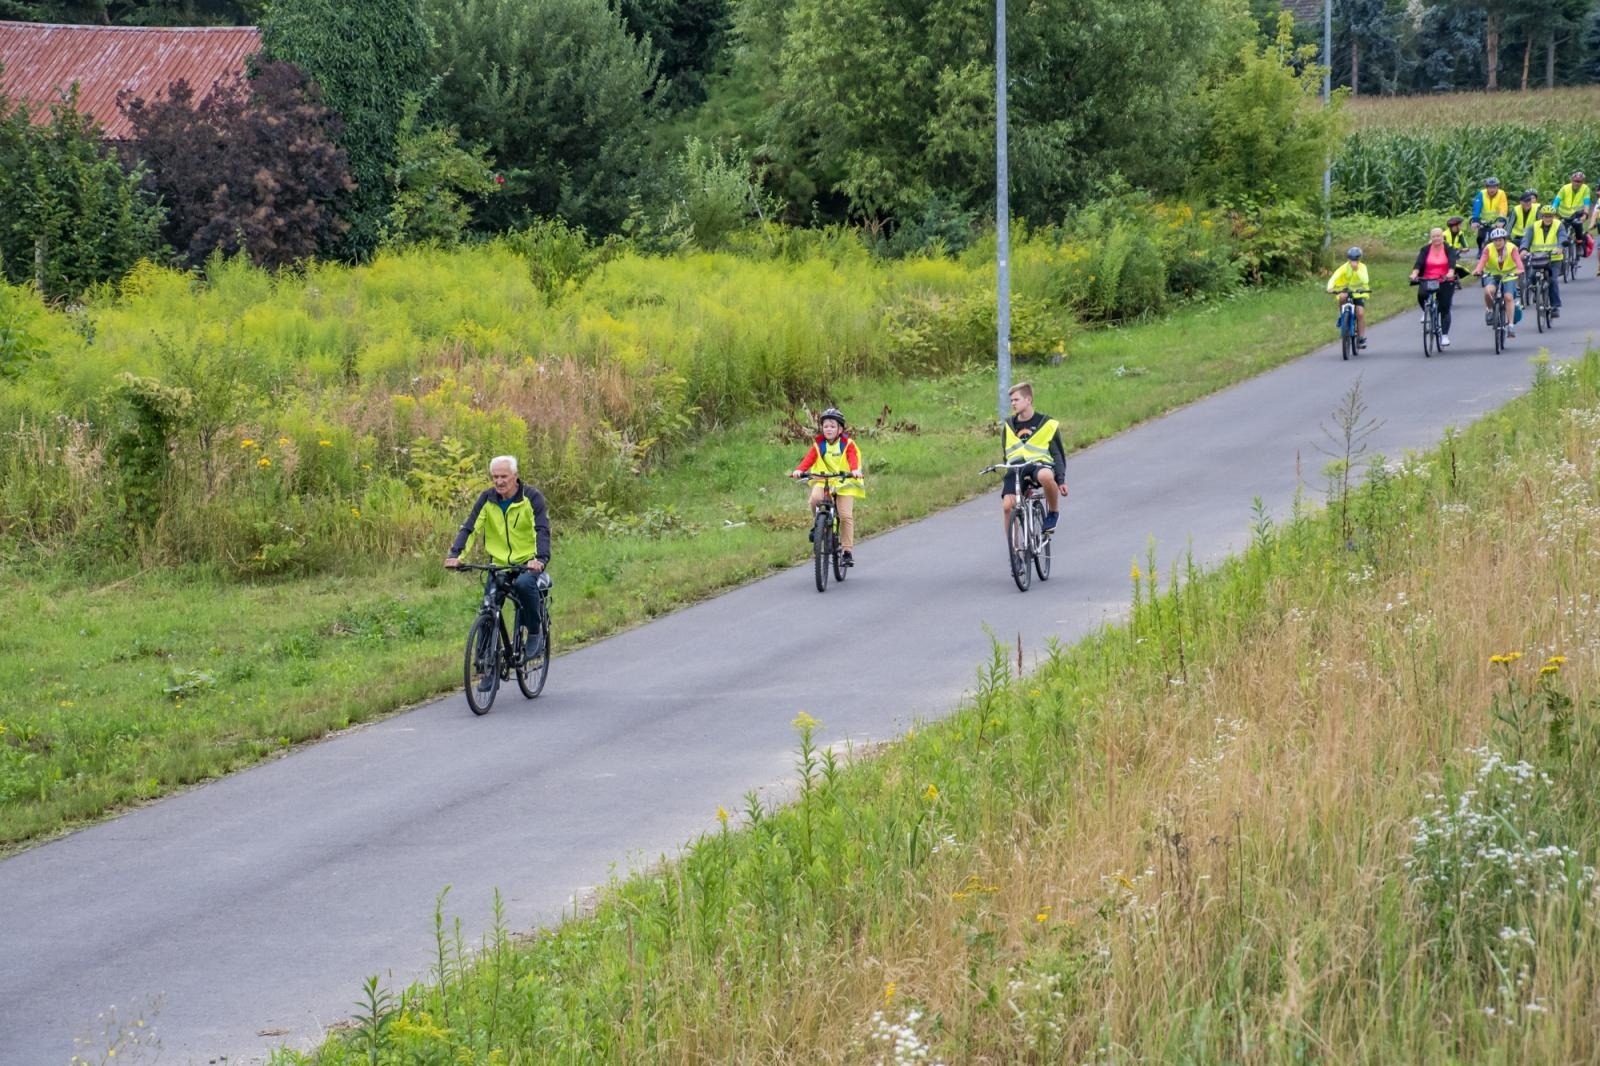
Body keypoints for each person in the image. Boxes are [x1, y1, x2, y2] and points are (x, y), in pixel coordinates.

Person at [444, 455, 551, 657]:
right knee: (488, 607)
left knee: (523, 585)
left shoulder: (531, 497)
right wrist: (456, 555)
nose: (499, 481)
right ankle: (483, 664)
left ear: (515, 476)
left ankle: (534, 631)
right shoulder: (487, 499)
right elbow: (470, 528)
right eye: (495, 477)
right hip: (499, 564)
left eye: (504, 476)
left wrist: (539, 559)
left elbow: (541, 530)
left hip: (527, 563)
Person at [789, 407, 864, 566]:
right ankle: (818, 526)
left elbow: (852, 458)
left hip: (844, 482)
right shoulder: (819, 444)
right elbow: (809, 459)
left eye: (832, 426)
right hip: (823, 480)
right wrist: (799, 470)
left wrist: (854, 470)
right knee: (814, 500)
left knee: (845, 515)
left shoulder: (847, 444)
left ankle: (847, 551)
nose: (828, 429)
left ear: (840, 429)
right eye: (825, 426)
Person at [1000, 381, 1066, 536]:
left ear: (1028, 399)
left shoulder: (1046, 423)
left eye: (1016, 400)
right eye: (1011, 400)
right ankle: (1014, 547)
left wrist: (1061, 480)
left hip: (1038, 465)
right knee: (1007, 507)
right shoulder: (1009, 425)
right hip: (1016, 469)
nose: (1013, 404)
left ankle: (1053, 513)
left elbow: (1057, 454)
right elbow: (1006, 453)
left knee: (1045, 476)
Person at [1410, 227, 1460, 347]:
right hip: (1429, 278)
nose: (1436, 238)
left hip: (1445, 279)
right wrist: (1414, 274)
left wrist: (1450, 272)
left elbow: (1452, 261)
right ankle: (1426, 311)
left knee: (1444, 307)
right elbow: (1419, 263)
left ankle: (1444, 336)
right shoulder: (1425, 249)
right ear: (1431, 238)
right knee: (1421, 295)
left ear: (1442, 237)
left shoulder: (1449, 249)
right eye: (1434, 236)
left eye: (1438, 236)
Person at [1472, 227, 1522, 338]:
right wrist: (1478, 270)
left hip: (1508, 275)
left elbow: (1518, 262)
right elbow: (1482, 261)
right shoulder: (1488, 248)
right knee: (1488, 291)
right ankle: (1490, 310)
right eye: (1495, 240)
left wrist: (1520, 270)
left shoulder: (1512, 248)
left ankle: (1510, 326)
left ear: (1505, 240)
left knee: (1508, 297)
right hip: (1492, 275)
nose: (1497, 243)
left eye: (1500, 240)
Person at [1520, 204, 1564, 318]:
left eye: (1550, 216)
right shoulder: (1533, 226)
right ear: (1542, 216)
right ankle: (1538, 291)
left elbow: (1562, 237)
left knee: (1553, 280)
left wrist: (1560, 247)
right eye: (1545, 216)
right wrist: (1524, 249)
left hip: (1554, 259)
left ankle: (1554, 306)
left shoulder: (1559, 225)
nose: (1548, 218)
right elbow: (1526, 239)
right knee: (1532, 277)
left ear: (1554, 216)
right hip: (1538, 258)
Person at [1326, 246, 1371, 348]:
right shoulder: (1343, 268)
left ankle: (1361, 338)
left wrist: (1356, 270)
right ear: (1348, 259)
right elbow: (1334, 277)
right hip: (1346, 291)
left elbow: (1365, 280)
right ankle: (1342, 316)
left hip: (1359, 293)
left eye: (1356, 259)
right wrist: (1330, 288)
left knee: (1360, 313)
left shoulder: (1362, 267)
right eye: (1351, 259)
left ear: (1359, 259)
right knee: (1342, 297)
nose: (1353, 262)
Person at [1470, 177, 1508, 248]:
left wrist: (1501, 220)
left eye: (1494, 187)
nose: (1492, 190)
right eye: (1490, 187)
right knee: (1480, 238)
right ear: (1487, 187)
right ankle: (1480, 250)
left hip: (1496, 222)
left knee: (1494, 239)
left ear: (1497, 187)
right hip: (1483, 222)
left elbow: (1503, 207)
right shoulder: (1481, 193)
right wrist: (1475, 220)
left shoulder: (1501, 193)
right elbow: (1477, 207)